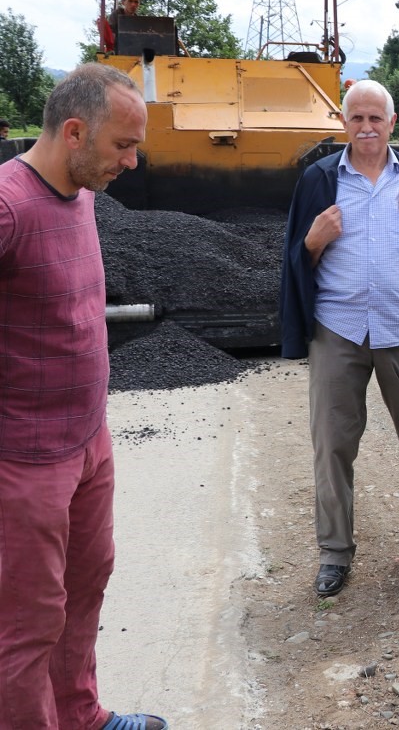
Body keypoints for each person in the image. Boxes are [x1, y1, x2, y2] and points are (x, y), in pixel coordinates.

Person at [0, 63, 169, 729]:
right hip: (24, 460)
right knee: (27, 621)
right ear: (73, 133)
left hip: (88, 439)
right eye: (122, 145)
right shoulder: (9, 207)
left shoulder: (81, 192)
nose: (131, 162)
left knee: (85, 584)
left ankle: (80, 714)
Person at [279, 78, 399, 599]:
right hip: (339, 326)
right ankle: (334, 551)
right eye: (357, 117)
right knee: (332, 442)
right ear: (344, 123)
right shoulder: (319, 178)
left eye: (376, 118)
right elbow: (295, 255)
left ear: (392, 123)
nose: (367, 127)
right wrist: (313, 242)